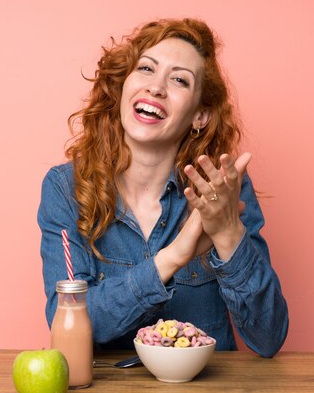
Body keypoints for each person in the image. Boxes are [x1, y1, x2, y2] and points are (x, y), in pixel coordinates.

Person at [38, 18, 288, 357]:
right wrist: (173, 256)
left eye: (179, 80)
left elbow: (268, 337)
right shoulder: (66, 188)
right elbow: (67, 325)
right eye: (145, 69)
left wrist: (228, 234)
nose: (156, 87)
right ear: (123, 87)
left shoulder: (223, 190)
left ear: (199, 116)